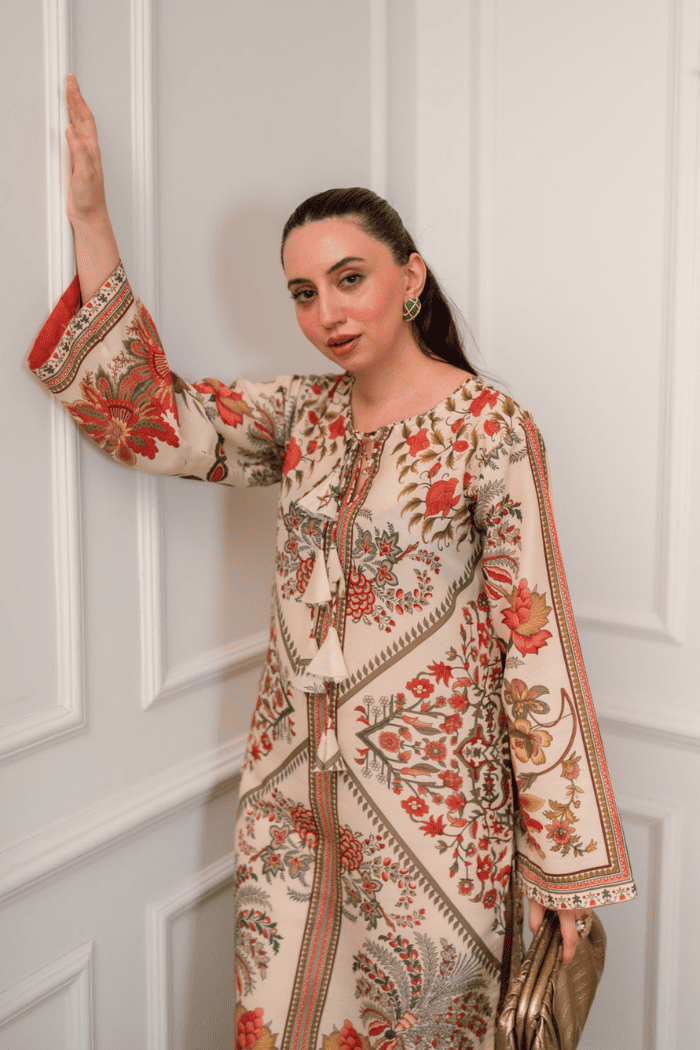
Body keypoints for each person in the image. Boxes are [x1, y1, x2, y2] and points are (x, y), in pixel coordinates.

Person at [28, 75, 636, 1050]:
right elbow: (158, 424)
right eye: (304, 293)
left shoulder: (490, 428)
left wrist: (566, 868)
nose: (326, 313)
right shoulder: (303, 414)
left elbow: (537, 642)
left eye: (349, 278)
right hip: (290, 801)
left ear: (411, 275)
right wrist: (93, 221)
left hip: (437, 821)